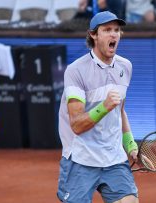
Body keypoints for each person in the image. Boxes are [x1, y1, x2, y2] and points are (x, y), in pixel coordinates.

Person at [57, 11, 140, 203]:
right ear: (93, 35)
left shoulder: (125, 67)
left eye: (117, 30)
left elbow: (120, 111)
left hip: (113, 158)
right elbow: (76, 124)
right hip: (81, 159)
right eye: (107, 30)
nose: (114, 35)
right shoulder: (76, 71)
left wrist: (129, 144)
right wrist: (103, 106)